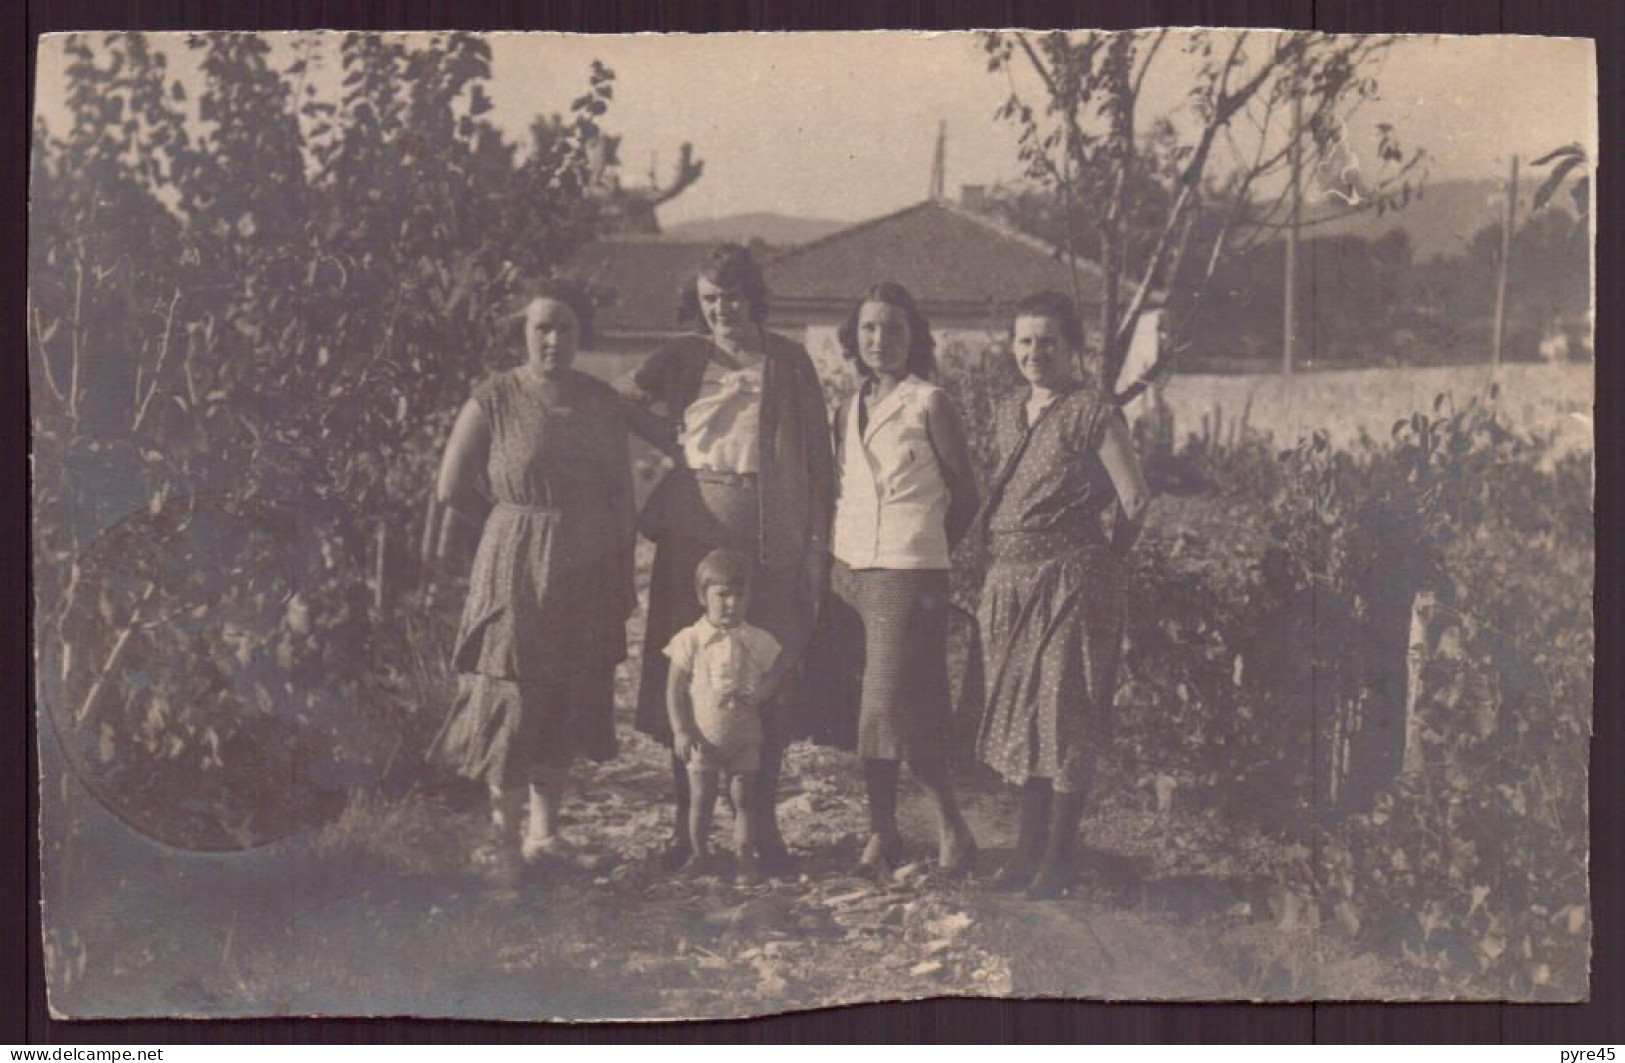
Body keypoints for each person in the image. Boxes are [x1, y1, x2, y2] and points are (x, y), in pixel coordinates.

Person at [616, 243, 834, 873]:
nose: (721, 311)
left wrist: (817, 546)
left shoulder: (789, 361)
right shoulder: (684, 354)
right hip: (692, 532)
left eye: (732, 298)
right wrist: (669, 439)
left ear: (753, 297)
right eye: (710, 299)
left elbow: (819, 461)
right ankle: (691, 834)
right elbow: (622, 398)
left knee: (761, 673)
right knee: (690, 670)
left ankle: (760, 829)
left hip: (772, 536)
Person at [430, 282, 636, 883]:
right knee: (513, 692)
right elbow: (451, 487)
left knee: (568, 691)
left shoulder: (599, 401)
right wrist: (508, 527)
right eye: (543, 327)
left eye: (566, 327)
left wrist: (618, 562)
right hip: (514, 564)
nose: (554, 339)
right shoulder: (494, 397)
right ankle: (503, 839)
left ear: (581, 334)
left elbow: (622, 490)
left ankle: (545, 835)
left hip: (585, 564)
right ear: (523, 332)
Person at [975, 290, 1151, 899]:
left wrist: (1104, 563)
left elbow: (1135, 498)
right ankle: (1025, 854)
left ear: (1072, 348)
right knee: (1023, 720)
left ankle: (1059, 860)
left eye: (1047, 340)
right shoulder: (1006, 412)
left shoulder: (1092, 411)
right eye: (1024, 340)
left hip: (1070, 581)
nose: (1034, 352)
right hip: (1010, 584)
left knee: (1063, 714)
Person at [815, 282, 980, 877]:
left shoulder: (928, 402)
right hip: (850, 570)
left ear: (914, 338)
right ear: (853, 340)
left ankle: (909, 831)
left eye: (893, 329)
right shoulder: (846, 407)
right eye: (869, 330)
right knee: (891, 705)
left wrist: (927, 553)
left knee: (886, 705)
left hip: (909, 570)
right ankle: (914, 832)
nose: (880, 340)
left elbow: (966, 495)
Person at [664, 549, 787, 884]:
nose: (731, 603)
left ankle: (745, 859)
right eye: (722, 595)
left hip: (744, 736)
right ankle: (699, 855)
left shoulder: (756, 639)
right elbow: (674, 689)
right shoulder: (691, 640)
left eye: (739, 595)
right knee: (700, 799)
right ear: (702, 596)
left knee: (744, 799)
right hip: (703, 738)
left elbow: (776, 673)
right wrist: (681, 731)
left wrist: (760, 692)